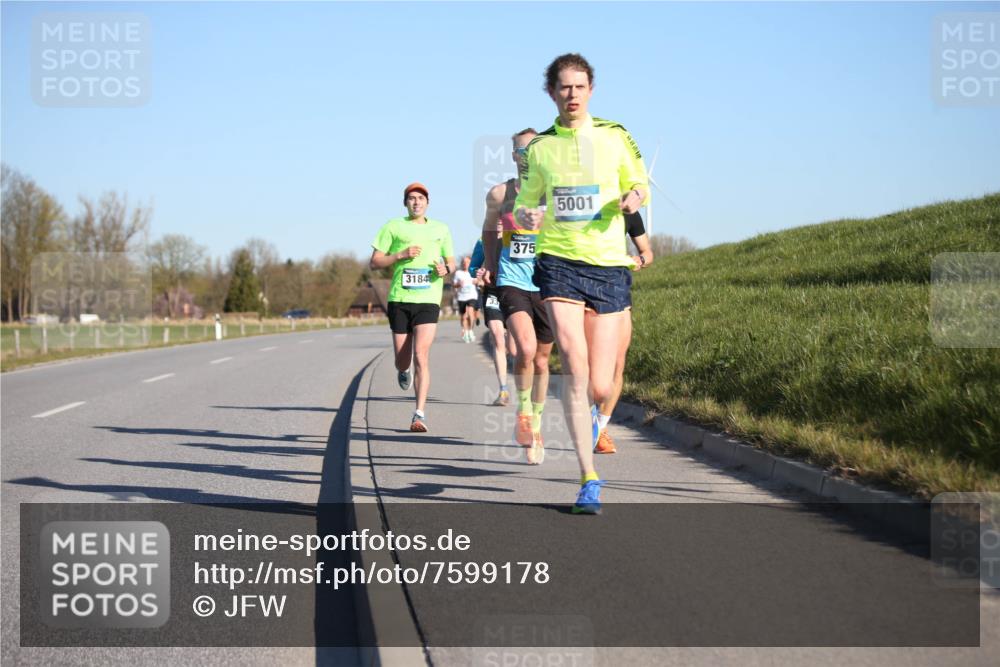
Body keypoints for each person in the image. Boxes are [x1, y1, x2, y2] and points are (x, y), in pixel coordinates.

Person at [514, 54, 649, 512]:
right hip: (559, 262)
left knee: (598, 384)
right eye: (563, 87)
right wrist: (527, 217)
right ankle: (588, 477)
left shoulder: (615, 135)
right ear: (551, 92)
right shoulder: (539, 149)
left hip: (609, 264)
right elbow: (525, 206)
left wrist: (634, 197)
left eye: (579, 86)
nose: (572, 94)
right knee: (573, 361)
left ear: (591, 90)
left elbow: (639, 182)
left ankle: (594, 418)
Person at [481, 128, 554, 465]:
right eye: (519, 151)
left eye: (531, 149)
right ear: (512, 156)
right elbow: (488, 229)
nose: (525, 155)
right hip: (512, 280)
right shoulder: (499, 194)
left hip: (548, 284)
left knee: (541, 361)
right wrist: (492, 264)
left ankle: (536, 422)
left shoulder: (553, 192)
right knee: (524, 349)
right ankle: (523, 414)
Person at [370, 182, 455, 432]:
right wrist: (400, 255)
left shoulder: (441, 229)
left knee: (422, 355)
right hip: (400, 298)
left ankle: (419, 414)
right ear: (405, 203)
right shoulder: (393, 226)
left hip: (429, 299)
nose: (416, 202)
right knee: (402, 359)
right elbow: (374, 262)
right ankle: (402, 369)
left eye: (420, 198)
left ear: (428, 203)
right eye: (411, 198)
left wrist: (446, 269)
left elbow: (451, 262)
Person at [594, 211, 654, 454]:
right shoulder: (583, 202)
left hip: (618, 290)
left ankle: (600, 427)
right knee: (591, 366)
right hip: (581, 288)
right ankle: (587, 420)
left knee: (618, 364)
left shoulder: (628, 211)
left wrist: (640, 260)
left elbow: (648, 253)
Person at [470, 238, 516, 406]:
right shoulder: (483, 241)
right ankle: (503, 389)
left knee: (514, 348)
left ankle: (524, 387)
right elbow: (472, 268)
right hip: (492, 293)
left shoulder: (515, 236)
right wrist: (479, 272)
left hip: (514, 292)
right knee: (497, 338)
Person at [453, 256, 479, 343]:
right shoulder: (458, 273)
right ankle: (465, 331)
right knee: (463, 317)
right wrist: (459, 284)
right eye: (464, 262)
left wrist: (477, 282)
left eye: (467, 262)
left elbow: (479, 282)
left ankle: (470, 330)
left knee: (471, 313)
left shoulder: (473, 272)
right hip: (461, 297)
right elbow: (454, 285)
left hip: (472, 296)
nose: (465, 264)